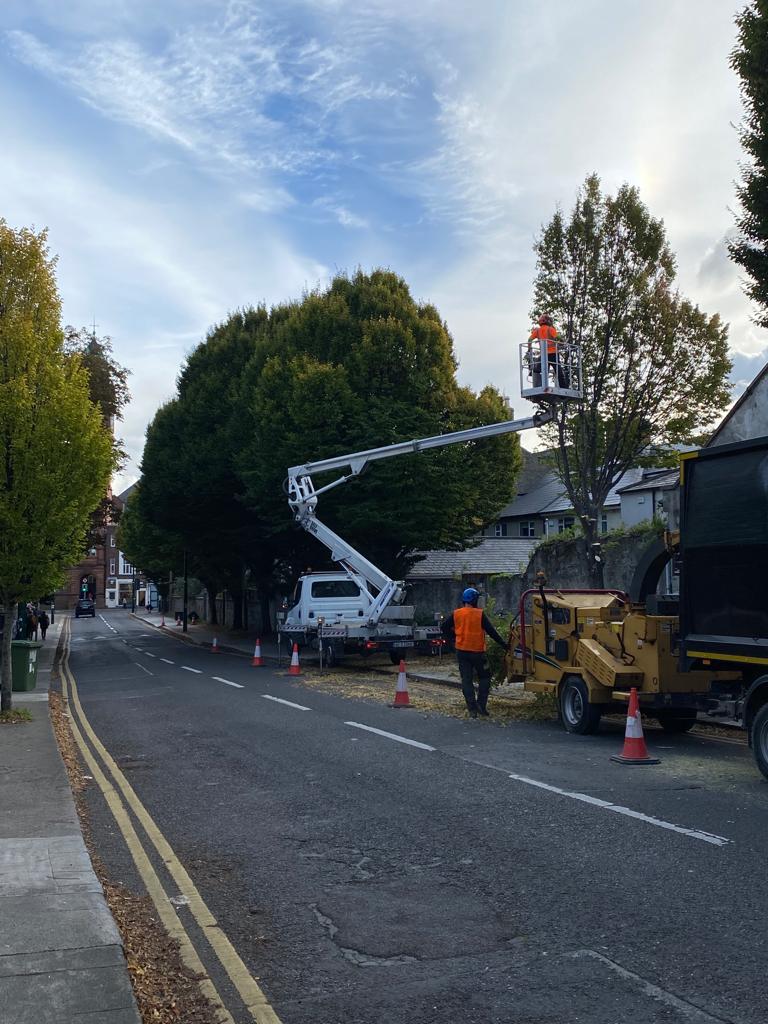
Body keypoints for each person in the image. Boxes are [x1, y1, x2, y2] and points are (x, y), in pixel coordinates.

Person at [441, 587, 508, 718]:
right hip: (478, 653)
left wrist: (453, 639)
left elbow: (444, 627)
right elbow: (492, 632)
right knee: (485, 677)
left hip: (462, 652)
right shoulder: (479, 614)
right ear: (475, 600)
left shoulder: (457, 614)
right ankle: (481, 706)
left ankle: (472, 709)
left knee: (466, 680)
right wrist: (505, 645)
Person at [529, 314, 568, 389]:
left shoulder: (537, 331)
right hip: (553, 354)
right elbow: (557, 337)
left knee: (539, 370)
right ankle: (564, 388)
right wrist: (563, 342)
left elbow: (529, 340)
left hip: (544, 355)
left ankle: (540, 386)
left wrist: (529, 348)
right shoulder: (550, 329)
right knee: (558, 371)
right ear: (548, 321)